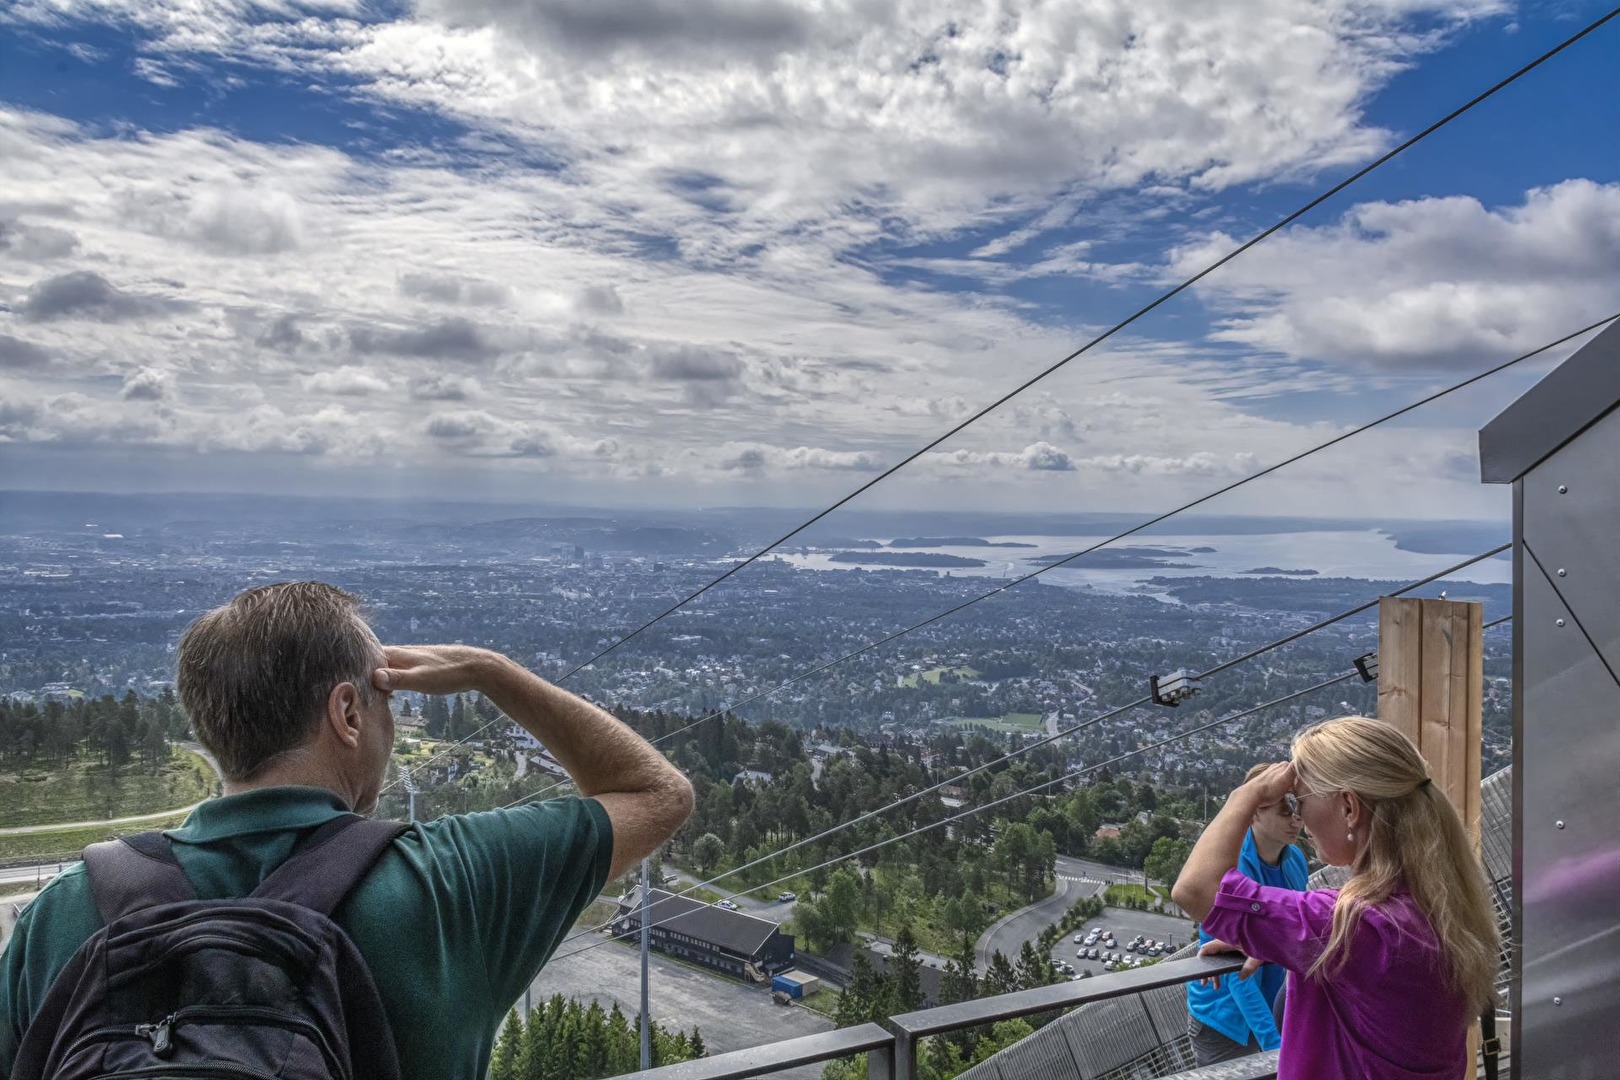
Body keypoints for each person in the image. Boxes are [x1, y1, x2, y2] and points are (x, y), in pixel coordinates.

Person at [0, 581, 694, 1080]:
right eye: (383, 699)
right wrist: (492, 672)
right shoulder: (450, 883)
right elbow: (656, 792)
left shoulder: (62, 911)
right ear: (347, 714)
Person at [1171, 717, 1499, 1080]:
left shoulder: (1357, 927)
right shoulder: (1434, 906)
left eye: (1302, 799)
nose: (1300, 816)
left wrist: (1246, 796)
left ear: (1349, 808)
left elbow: (1197, 889)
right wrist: (1272, 939)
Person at [1185, 762, 1308, 1064]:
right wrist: (1277, 1047)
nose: (1295, 821)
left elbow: (1294, 934)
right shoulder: (1230, 869)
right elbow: (1238, 976)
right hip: (1225, 1020)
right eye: (1284, 812)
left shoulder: (1295, 860)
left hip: (1270, 1008)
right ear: (1254, 812)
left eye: (1298, 811)